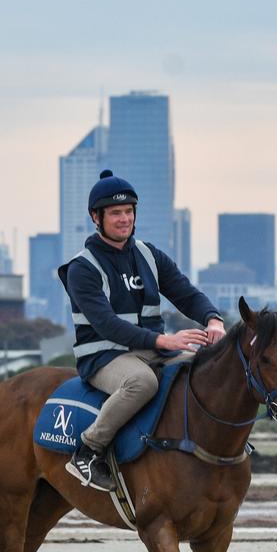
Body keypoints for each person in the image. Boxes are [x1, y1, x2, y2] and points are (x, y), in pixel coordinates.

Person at [57, 170, 226, 491]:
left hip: (153, 349)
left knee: (206, 369)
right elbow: (106, 323)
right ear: (96, 217)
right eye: (116, 213)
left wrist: (213, 319)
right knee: (142, 382)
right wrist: (164, 340)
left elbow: (186, 294)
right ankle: (88, 449)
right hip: (104, 355)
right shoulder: (82, 267)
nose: (124, 219)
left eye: (129, 212)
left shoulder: (150, 255)